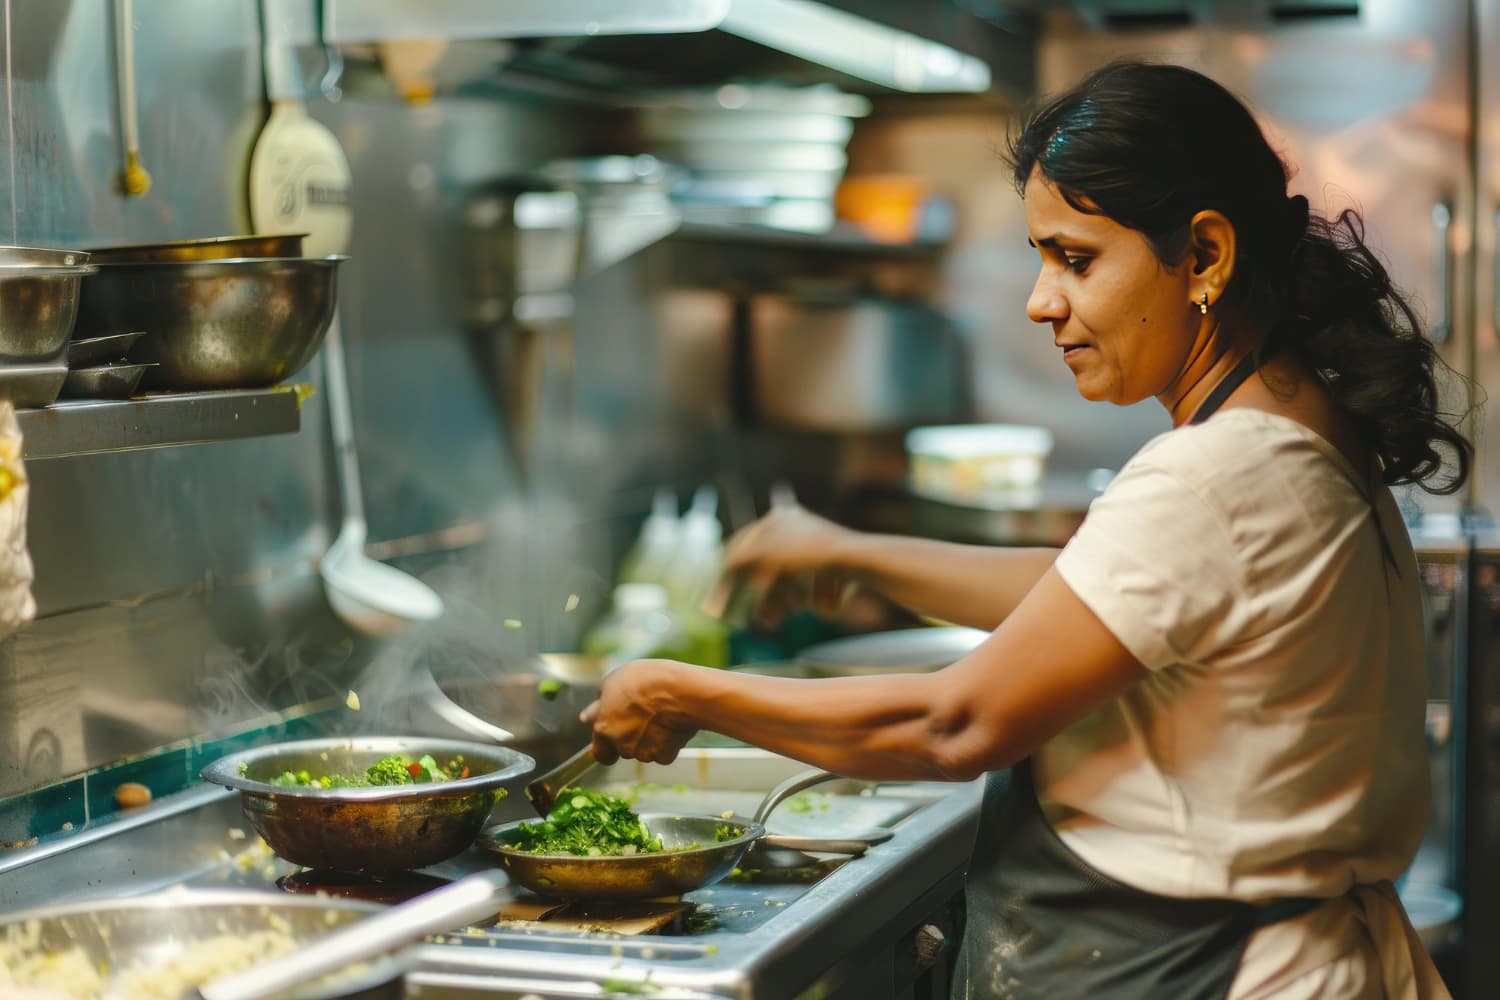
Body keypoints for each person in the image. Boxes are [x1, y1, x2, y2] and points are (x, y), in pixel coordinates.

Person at [581, 60, 1471, 999]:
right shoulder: (1295, 418)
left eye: (1076, 259)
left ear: (1204, 255)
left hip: (1211, 972)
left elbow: (954, 722)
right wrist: (851, 551)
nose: (1042, 301)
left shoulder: (1221, 471)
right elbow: (1098, 590)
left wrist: (680, 694)